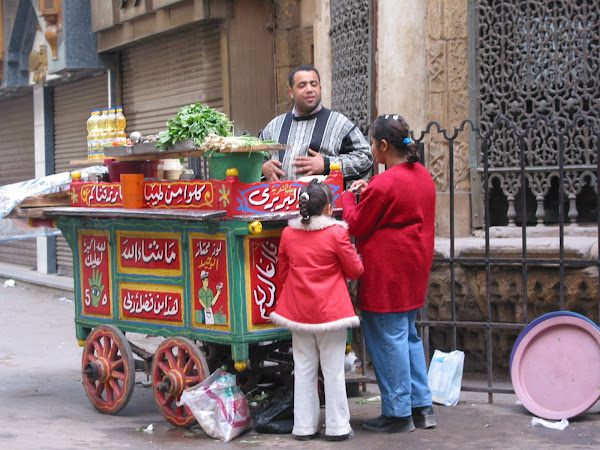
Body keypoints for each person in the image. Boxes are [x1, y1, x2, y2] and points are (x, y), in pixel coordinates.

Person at [341, 114, 437, 433]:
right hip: (414, 266)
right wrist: (369, 191)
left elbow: (356, 223)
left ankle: (397, 412)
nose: (371, 148)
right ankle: (422, 406)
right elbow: (394, 202)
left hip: (388, 271)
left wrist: (348, 197)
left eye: (372, 142)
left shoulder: (385, 182)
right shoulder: (421, 174)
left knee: (388, 337)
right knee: (407, 334)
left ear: (383, 145)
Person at [269, 179, 364, 441]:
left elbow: (282, 273)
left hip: (298, 311)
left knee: (304, 368)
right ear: (329, 208)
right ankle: (337, 427)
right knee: (332, 370)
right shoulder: (337, 233)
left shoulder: (288, 234)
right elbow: (355, 270)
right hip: (330, 311)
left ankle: (303, 427)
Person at [260, 64, 373, 182]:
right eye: (302, 85)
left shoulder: (339, 124)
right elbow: (254, 157)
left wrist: (327, 165)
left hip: (326, 199)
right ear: (291, 92)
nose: (309, 89)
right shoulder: (274, 126)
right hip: (281, 199)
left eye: (313, 84)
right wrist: (263, 167)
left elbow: (365, 157)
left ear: (320, 88)